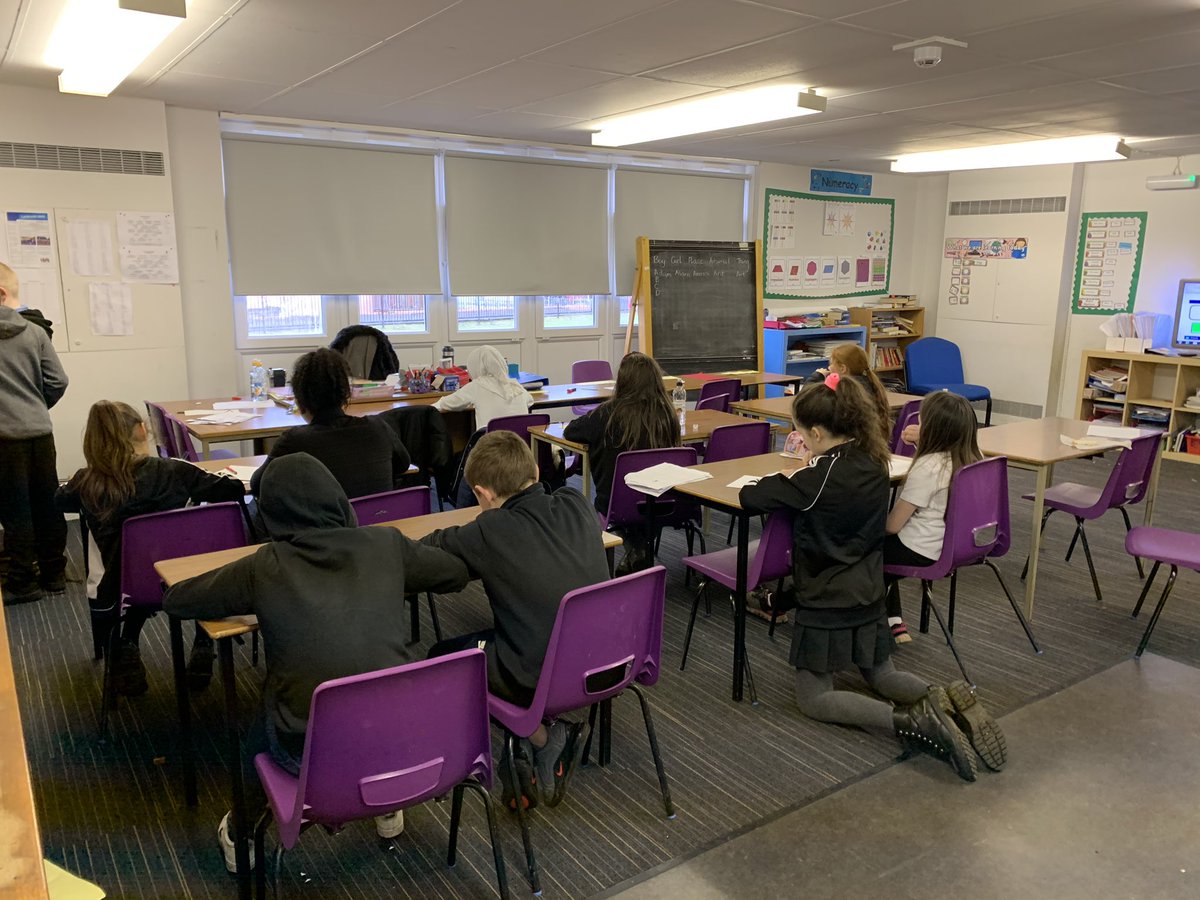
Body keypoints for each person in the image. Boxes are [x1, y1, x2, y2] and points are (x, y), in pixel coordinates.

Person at [162, 453, 470, 871]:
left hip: (310, 757)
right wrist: (394, 573)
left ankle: (241, 833)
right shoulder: (385, 544)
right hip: (404, 741)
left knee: (264, 718)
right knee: (370, 680)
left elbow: (179, 600)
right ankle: (385, 804)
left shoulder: (265, 566)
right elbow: (454, 574)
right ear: (338, 499)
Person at [739, 373, 997, 781]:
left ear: (817, 433)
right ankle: (940, 697)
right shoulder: (876, 461)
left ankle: (910, 722)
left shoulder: (816, 478)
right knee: (882, 674)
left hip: (825, 596)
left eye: (801, 432)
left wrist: (799, 470)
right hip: (871, 589)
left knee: (814, 698)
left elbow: (751, 496)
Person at [422, 430, 610, 809]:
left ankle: (541, 737)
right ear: (536, 472)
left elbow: (431, 549)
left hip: (538, 673)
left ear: (483, 493)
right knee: (513, 633)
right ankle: (525, 745)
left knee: (441, 656)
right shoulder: (576, 501)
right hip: (605, 657)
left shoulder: (490, 529)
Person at [55, 401, 245, 693]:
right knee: (194, 563)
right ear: (143, 431)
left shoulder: (86, 482)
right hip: (182, 579)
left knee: (138, 569)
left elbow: (59, 499)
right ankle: (204, 642)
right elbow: (231, 490)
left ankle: (126, 643)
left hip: (124, 587)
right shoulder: (175, 471)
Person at [563, 352, 679, 572]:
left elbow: (571, 431)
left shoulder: (606, 414)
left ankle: (635, 548)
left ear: (622, 381)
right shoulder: (667, 415)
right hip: (662, 499)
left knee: (626, 495)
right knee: (641, 496)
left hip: (616, 503)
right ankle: (639, 548)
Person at [884, 391, 982, 643]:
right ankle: (893, 621)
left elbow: (893, 526)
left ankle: (878, 622)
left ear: (933, 429)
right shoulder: (974, 460)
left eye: (922, 421)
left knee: (862, 548)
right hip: (956, 546)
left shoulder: (929, 467)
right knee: (878, 550)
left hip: (921, 550)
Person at [251, 348, 410, 500]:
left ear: (300, 399)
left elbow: (257, 485)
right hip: (379, 517)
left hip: (325, 519)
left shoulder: (294, 441)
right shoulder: (378, 427)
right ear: (346, 393)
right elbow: (403, 464)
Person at [0, 263, 68, 605]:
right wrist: (37, 406)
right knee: (47, 503)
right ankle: (55, 574)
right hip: (40, 434)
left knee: (15, 511)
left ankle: (23, 582)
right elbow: (58, 381)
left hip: (4, 440)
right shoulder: (36, 331)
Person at [433, 345, 532, 429]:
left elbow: (448, 403)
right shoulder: (515, 385)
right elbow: (530, 401)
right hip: (520, 444)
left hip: (490, 444)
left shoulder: (477, 385)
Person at [809, 343, 891, 443]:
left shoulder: (845, 390)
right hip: (867, 442)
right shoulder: (870, 384)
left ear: (842, 368)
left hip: (849, 443)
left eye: (831, 364)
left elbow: (808, 402)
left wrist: (816, 377)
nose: (829, 368)